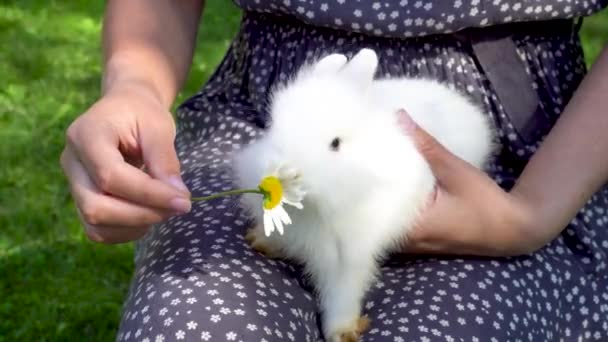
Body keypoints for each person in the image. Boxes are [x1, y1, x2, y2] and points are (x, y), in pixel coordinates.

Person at [60, 0, 608, 340]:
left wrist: (532, 213)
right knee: (194, 323)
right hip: (257, 94)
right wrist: (134, 84)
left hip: (533, 156)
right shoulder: (287, 133)